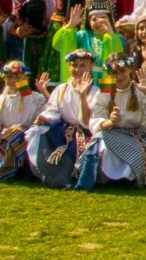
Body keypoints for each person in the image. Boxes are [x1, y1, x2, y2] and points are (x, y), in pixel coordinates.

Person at [80, 54, 146, 188]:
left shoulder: (140, 89)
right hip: (112, 132)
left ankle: (129, 179)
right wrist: (111, 122)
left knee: (140, 152)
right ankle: (107, 178)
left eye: (122, 71)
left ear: (130, 70)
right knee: (101, 145)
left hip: (138, 133)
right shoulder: (104, 92)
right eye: (114, 72)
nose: (119, 76)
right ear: (109, 74)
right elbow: (95, 121)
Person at [26, 49, 98, 187]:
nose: (78, 69)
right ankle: (44, 172)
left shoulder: (95, 92)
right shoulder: (62, 89)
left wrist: (83, 95)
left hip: (85, 132)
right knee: (38, 131)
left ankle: (71, 175)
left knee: (75, 147)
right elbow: (53, 110)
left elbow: (87, 121)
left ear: (90, 67)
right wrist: (45, 118)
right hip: (63, 130)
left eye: (82, 65)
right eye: (74, 65)